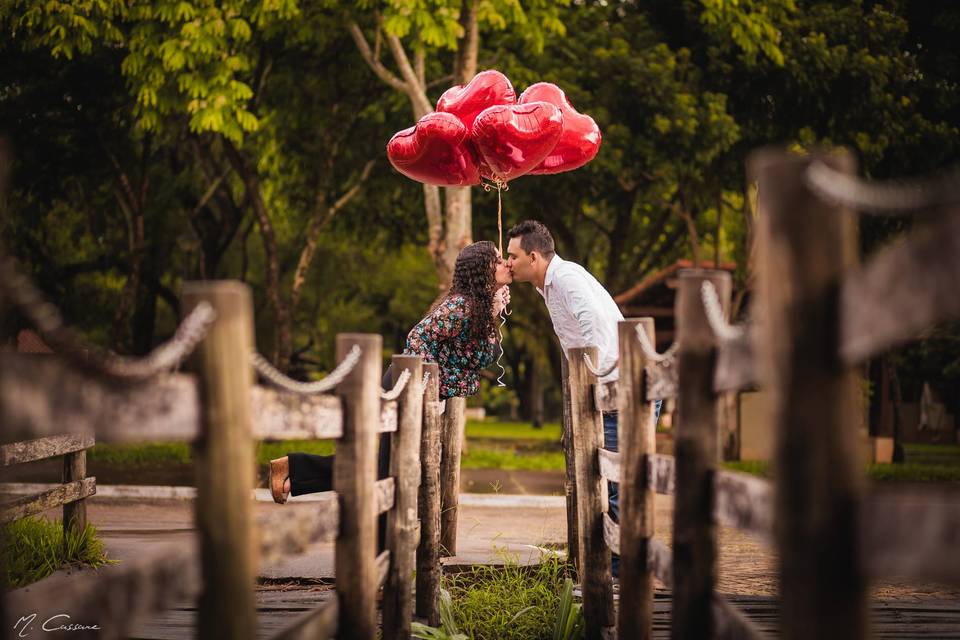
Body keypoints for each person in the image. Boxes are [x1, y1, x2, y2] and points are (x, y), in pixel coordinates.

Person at [269, 240, 512, 506]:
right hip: (406, 385)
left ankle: (296, 470)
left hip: (419, 389)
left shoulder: (477, 309)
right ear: (482, 268)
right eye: (498, 260)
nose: (505, 264)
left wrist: (493, 313)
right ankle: (297, 470)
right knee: (389, 472)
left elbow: (481, 359)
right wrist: (429, 385)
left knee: (392, 468)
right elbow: (417, 339)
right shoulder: (460, 306)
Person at [505, 219, 661, 578]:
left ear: (533, 256)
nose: (508, 262)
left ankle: (624, 579)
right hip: (608, 395)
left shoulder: (567, 279)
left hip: (623, 394)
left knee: (620, 486)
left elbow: (595, 334)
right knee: (600, 482)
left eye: (512, 256)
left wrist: (589, 390)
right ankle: (610, 570)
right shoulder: (549, 285)